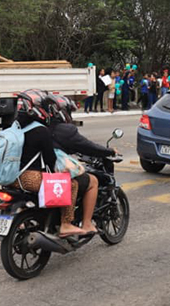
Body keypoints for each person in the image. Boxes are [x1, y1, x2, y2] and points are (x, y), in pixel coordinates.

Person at [13, 92, 88, 237]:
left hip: (10, 177)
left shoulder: (14, 128)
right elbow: (50, 160)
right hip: (28, 178)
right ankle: (66, 224)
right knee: (71, 184)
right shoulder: (41, 131)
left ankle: (23, 217)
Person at [46, 95, 113, 236]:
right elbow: (86, 145)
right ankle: (87, 223)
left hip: (40, 172)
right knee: (93, 181)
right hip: (55, 175)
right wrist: (109, 151)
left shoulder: (40, 127)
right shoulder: (64, 130)